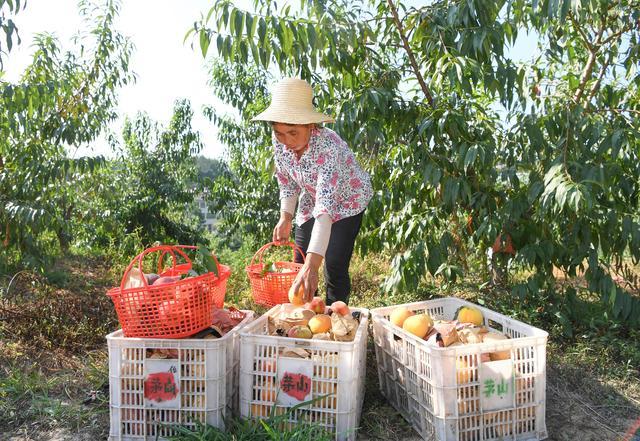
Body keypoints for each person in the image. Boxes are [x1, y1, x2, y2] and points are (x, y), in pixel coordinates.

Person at [252, 77, 373, 305]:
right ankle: (304, 313)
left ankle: (335, 318)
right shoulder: (280, 139)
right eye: (279, 133)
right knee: (300, 259)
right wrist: (285, 217)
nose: (286, 140)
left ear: (310, 126)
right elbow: (286, 180)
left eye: (293, 133)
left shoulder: (329, 150)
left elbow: (325, 213)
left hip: (348, 202)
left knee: (333, 263)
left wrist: (313, 266)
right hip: (313, 196)